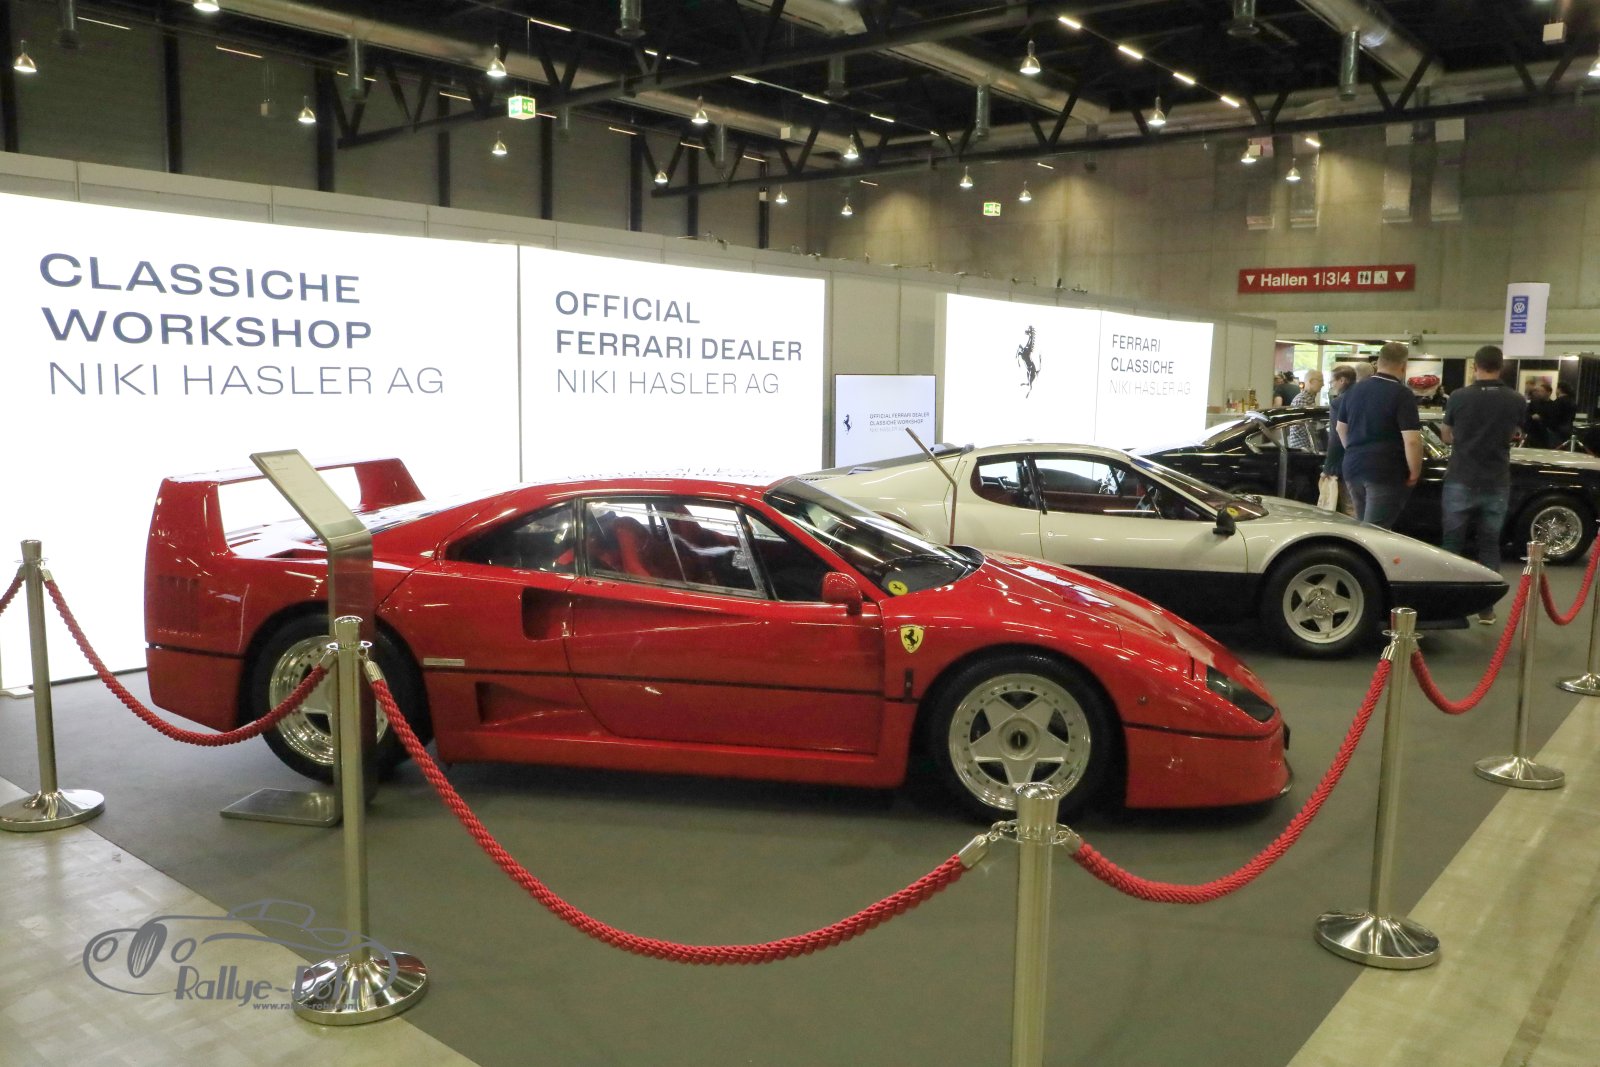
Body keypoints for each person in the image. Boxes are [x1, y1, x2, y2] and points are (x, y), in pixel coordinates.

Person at [1440, 345, 1526, 623]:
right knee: (1489, 545)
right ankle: (1486, 609)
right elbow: (1517, 433)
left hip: (1460, 477)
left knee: (1452, 544)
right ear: (1501, 367)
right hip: (1496, 480)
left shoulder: (1458, 396)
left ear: (1474, 366)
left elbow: (1446, 436)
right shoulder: (1516, 399)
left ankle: (1447, 607)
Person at [1338, 341, 1422, 528]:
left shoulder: (1354, 390)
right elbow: (1412, 441)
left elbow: (1340, 428)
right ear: (1403, 366)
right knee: (1376, 531)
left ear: (1379, 362)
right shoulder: (1402, 394)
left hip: (1353, 467)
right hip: (1384, 469)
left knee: (1363, 526)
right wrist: (1415, 472)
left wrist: (1354, 450)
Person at [1318, 365, 1358, 512]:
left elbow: (1336, 437)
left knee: (1349, 508)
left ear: (1342, 380)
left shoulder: (1338, 402)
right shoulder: (1366, 397)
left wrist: (1328, 467)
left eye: (1332, 381)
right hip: (1371, 462)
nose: (1331, 384)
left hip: (1346, 462)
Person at [1287, 370, 1324, 451]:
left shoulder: (1308, 399)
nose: (1323, 384)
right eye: (1321, 380)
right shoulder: (1302, 399)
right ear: (1311, 381)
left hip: (1307, 446)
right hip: (1303, 448)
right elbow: (1302, 427)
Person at [1523, 382, 1560, 449]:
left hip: (1546, 435)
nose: (1539, 393)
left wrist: (1541, 419)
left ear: (1549, 393)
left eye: (1542, 391)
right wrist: (1531, 417)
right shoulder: (1534, 403)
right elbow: (1526, 415)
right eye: (1538, 391)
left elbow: (1554, 420)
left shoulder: (1553, 405)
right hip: (1532, 433)